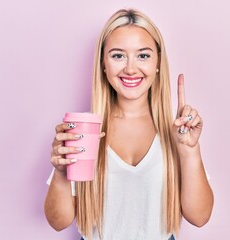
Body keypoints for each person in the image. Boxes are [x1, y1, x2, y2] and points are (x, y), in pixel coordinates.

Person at [44, 8, 214, 240]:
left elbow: (200, 216)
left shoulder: (178, 130)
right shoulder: (82, 131)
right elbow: (58, 221)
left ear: (157, 62)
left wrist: (189, 150)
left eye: (143, 55)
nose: (131, 68)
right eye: (118, 55)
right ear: (103, 64)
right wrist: (61, 171)